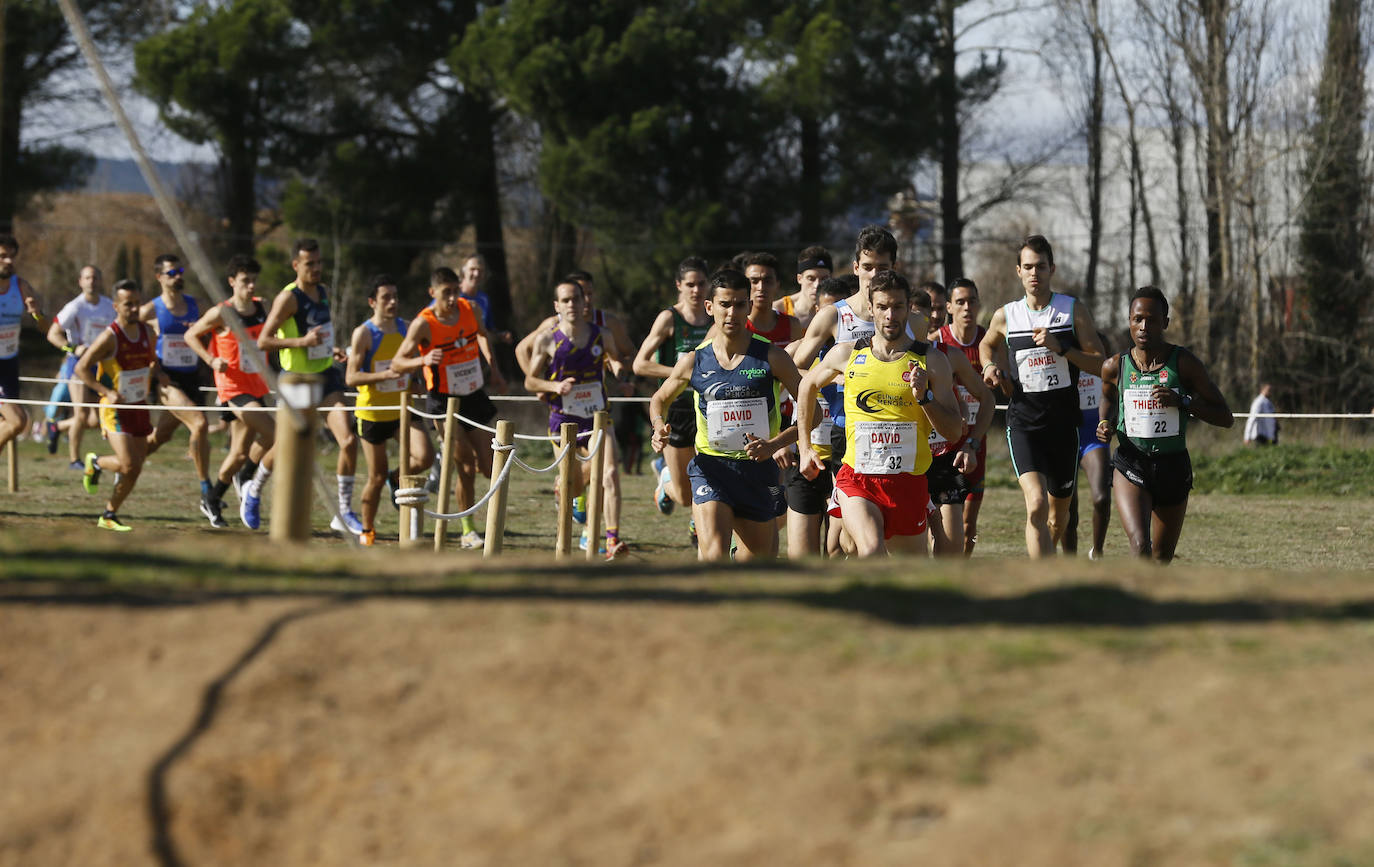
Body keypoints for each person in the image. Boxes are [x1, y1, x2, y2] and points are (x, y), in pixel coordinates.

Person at [796, 270, 964, 557]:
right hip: (858, 477)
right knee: (871, 549)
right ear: (871, 308)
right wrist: (805, 448)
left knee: (907, 576)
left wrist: (925, 397)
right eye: (883, 307)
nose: (890, 315)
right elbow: (806, 385)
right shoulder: (846, 354)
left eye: (897, 306)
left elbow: (953, 431)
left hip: (907, 482)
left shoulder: (931, 361)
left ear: (908, 308)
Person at [649, 268, 802, 561]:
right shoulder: (694, 360)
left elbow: (813, 412)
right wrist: (658, 427)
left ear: (749, 306)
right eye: (724, 304)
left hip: (758, 471)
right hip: (711, 469)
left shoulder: (771, 357)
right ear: (710, 307)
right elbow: (659, 399)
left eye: (739, 304)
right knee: (714, 556)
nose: (732, 313)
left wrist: (775, 444)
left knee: (756, 565)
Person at [980, 235, 1104, 558]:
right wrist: (991, 366)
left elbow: (1099, 363)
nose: (1035, 273)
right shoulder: (1006, 315)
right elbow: (986, 344)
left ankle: (1048, 577)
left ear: (1052, 269)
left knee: (1056, 518)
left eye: (1041, 267)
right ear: (1018, 271)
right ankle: (1041, 584)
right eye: (1029, 267)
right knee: (1035, 504)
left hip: (1063, 428)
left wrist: (1061, 347)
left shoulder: (1071, 311)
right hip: (1024, 425)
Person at [1098, 287, 1233, 562]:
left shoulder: (1184, 364)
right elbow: (1108, 399)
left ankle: (1152, 603)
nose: (1144, 326)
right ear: (1129, 321)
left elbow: (1225, 416)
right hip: (1130, 462)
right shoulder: (1115, 366)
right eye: (1137, 319)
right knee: (1140, 546)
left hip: (1173, 466)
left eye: (1152, 320)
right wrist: (1105, 422)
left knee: (1160, 559)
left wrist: (1182, 401)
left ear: (1166, 323)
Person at [391, 267, 507, 549]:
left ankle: (481, 519)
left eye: (456, 291)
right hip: (443, 399)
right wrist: (424, 359)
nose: (454, 298)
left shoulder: (471, 308)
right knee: (465, 465)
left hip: (473, 392)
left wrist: (493, 366)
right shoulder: (424, 323)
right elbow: (397, 363)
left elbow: (481, 334)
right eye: (447, 293)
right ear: (433, 293)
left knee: (489, 464)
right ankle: (469, 530)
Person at [255, 238, 364, 535]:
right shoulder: (287, 298)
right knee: (285, 447)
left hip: (326, 375)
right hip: (297, 380)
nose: (316, 269)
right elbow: (264, 340)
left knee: (349, 440)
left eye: (319, 263)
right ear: (296, 265)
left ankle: (342, 511)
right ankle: (255, 488)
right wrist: (300, 343)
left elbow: (321, 335)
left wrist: (334, 349)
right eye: (310, 264)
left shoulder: (324, 292)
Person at [524, 279, 630, 558]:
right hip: (563, 420)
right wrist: (553, 387)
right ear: (557, 306)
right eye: (566, 300)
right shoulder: (547, 339)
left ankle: (612, 538)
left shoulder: (602, 334)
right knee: (574, 484)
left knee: (609, 473)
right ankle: (568, 491)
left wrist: (620, 373)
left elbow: (615, 359)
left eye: (577, 299)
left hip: (597, 416)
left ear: (585, 303)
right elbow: (530, 381)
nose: (572, 305)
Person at [184, 255, 277, 529]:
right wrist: (211, 359)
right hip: (232, 388)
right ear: (232, 282)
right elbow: (191, 336)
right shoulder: (221, 313)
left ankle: (212, 497)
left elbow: (276, 335)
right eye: (245, 281)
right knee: (275, 433)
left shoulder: (262, 307)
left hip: (256, 385)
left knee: (237, 453)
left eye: (253, 281)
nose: (251, 286)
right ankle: (249, 479)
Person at [345, 275, 436, 546]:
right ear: (373, 302)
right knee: (374, 477)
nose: (393, 302)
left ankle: (395, 479)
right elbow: (351, 378)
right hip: (372, 414)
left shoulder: (406, 328)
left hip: (402, 409)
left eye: (395, 296)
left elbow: (410, 364)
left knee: (425, 456)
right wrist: (383, 376)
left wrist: (417, 381)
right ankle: (368, 529)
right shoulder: (364, 333)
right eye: (386, 297)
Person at [76, 279, 165, 532]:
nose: (134, 309)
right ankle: (95, 463)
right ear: (116, 306)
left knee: (135, 468)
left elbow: (152, 361)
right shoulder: (110, 337)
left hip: (139, 404)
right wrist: (106, 391)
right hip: (113, 408)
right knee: (127, 464)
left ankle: (109, 514)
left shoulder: (148, 333)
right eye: (128, 305)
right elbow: (82, 368)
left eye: (137, 304)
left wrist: (160, 375)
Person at [633, 256, 711, 528]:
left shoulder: (715, 316)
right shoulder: (670, 318)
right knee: (682, 495)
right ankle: (665, 481)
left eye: (701, 284)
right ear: (679, 285)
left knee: (711, 475)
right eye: (690, 284)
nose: (696, 290)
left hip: (709, 406)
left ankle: (698, 524)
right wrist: (680, 373)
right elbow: (640, 364)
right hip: (676, 407)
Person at [920, 283, 995, 556]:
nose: (966, 308)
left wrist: (971, 442)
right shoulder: (888, 352)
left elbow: (985, 398)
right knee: (919, 537)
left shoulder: (952, 353)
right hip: (911, 457)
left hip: (957, 451)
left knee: (963, 530)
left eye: (971, 301)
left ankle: (955, 586)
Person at [139, 254, 215, 518]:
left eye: (180, 271)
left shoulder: (197, 305)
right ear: (159, 277)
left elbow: (214, 331)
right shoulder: (151, 310)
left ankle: (118, 466)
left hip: (192, 378)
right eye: (172, 273)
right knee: (200, 424)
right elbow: (131, 335)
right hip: (167, 380)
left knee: (160, 438)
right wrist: (152, 368)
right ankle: (208, 492)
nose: (178, 276)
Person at [937, 277, 991, 555]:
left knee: (969, 524)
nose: (967, 307)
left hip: (974, 441)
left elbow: (997, 394)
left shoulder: (989, 341)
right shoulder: (939, 344)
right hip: (944, 445)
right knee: (941, 522)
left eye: (972, 301)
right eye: (960, 302)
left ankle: (962, 572)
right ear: (949, 307)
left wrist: (999, 376)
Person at [45, 265, 114, 467]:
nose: (91, 281)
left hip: (101, 365)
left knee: (96, 419)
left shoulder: (110, 307)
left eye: (95, 277)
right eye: (87, 278)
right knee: (81, 414)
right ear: (80, 281)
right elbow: (52, 334)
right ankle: (74, 460)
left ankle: (57, 427)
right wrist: (72, 348)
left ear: (100, 281)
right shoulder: (74, 307)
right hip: (79, 365)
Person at [1064, 329, 1115, 559]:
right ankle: (1070, 562)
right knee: (1068, 510)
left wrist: (1110, 421)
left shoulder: (1103, 346)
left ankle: (1098, 551)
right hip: (1066, 432)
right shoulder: (1067, 347)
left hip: (1093, 433)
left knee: (1101, 497)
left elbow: (1114, 391)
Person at [0, 234, 46, 462]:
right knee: (18, 421)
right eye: (2, 256)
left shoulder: (21, 286)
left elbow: (45, 328)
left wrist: (36, 313)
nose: (8, 261)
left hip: (9, 363)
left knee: (7, 425)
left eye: (11, 257)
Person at [742, 252, 803, 347]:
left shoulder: (792, 325)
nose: (761, 287)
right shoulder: (735, 325)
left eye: (767, 281)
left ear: (777, 285)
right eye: (754, 281)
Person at [773, 246, 834, 330]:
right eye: (811, 278)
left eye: (824, 279)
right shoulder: (778, 310)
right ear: (799, 278)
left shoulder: (837, 311)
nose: (817, 285)